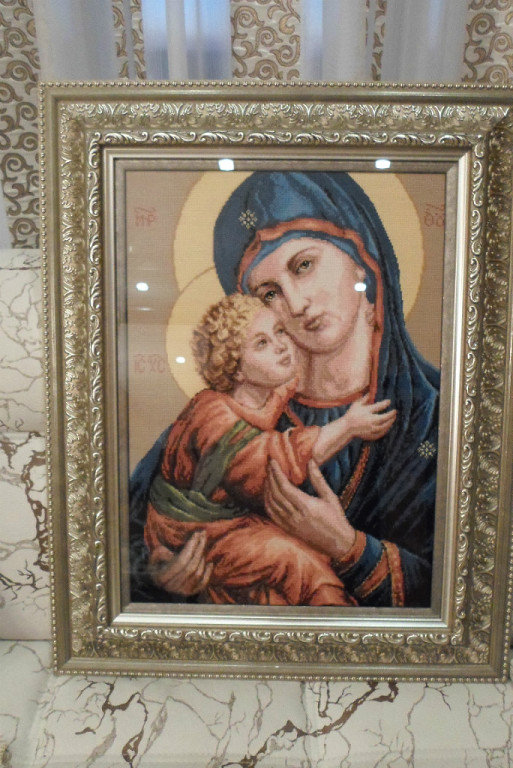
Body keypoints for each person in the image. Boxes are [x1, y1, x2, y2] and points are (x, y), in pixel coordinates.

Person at [129, 171, 439, 608]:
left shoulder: (435, 418)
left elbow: (457, 587)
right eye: (269, 293)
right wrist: (164, 576)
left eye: (304, 266)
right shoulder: (223, 420)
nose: (295, 305)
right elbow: (122, 551)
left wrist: (349, 547)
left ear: (361, 258)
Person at [144, 293, 395, 606]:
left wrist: (360, 330)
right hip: (196, 537)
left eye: (279, 331)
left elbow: (280, 394)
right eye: (261, 343)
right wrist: (347, 426)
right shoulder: (212, 414)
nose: (281, 346)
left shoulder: (254, 397)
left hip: (230, 527)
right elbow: (271, 462)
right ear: (236, 369)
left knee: (303, 565)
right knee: (301, 565)